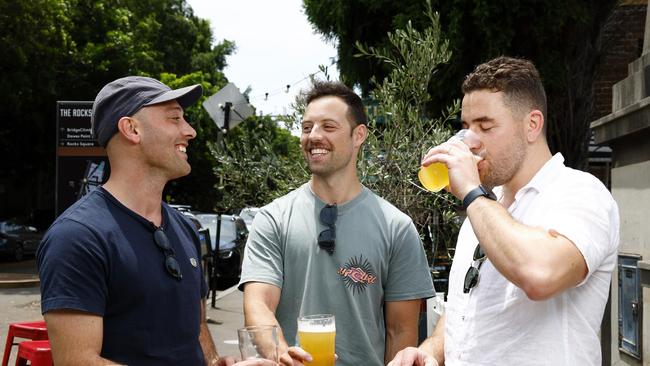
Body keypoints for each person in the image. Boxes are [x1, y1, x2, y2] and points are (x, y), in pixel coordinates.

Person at [389, 56, 620, 366]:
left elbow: (540, 275)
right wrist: (431, 349)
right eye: (466, 127)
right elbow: (467, 306)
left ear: (532, 125)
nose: (470, 143)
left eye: (485, 127)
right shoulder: (486, 205)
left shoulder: (581, 193)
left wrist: (472, 193)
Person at [37, 76, 275, 366]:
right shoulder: (78, 236)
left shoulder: (186, 228)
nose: (190, 131)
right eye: (174, 118)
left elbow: (195, 328)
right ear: (131, 129)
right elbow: (77, 361)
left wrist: (216, 364)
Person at [239, 81, 436, 366]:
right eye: (307, 128)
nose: (314, 136)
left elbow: (400, 329)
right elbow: (258, 304)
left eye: (328, 127)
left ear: (359, 136)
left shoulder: (396, 226)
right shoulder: (273, 219)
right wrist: (283, 355)